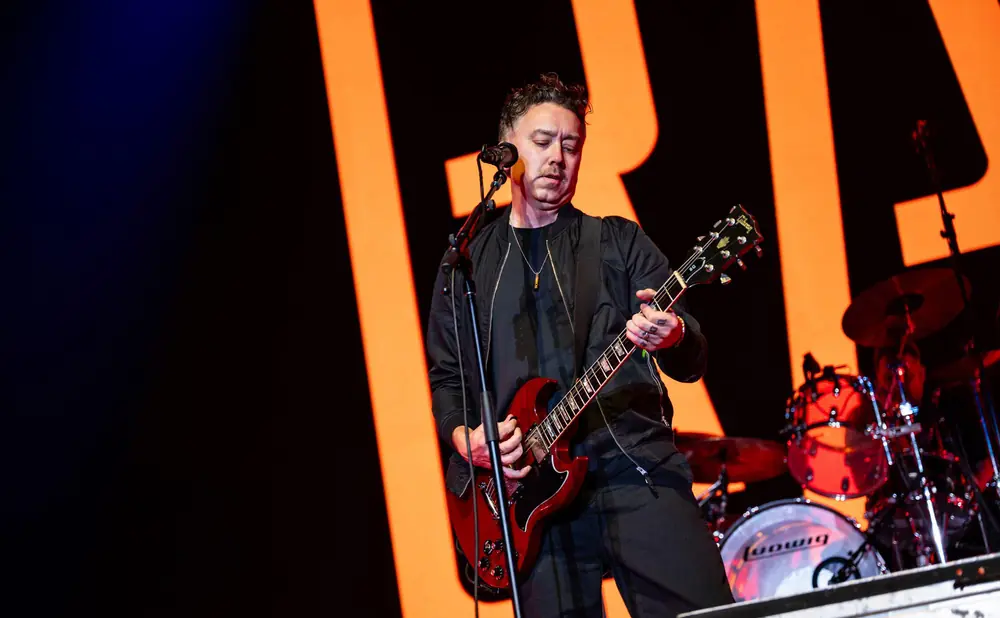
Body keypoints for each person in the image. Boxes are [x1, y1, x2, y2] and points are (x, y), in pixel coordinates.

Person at [425, 72, 734, 617]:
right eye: (542, 142)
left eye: (570, 145)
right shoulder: (468, 263)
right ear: (506, 151)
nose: (557, 158)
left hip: (637, 472)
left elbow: (693, 357)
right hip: (533, 504)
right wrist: (463, 438)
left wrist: (674, 334)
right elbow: (448, 378)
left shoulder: (617, 240)